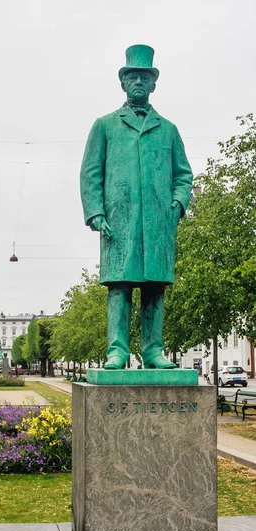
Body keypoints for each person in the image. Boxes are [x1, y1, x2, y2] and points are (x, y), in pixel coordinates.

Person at [80, 45, 193, 369]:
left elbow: (183, 174)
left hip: (158, 220)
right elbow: (91, 173)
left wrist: (177, 204)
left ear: (154, 83)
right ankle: (117, 350)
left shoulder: (168, 129)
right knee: (120, 286)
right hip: (120, 219)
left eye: (145, 76)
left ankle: (153, 351)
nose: (139, 81)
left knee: (155, 287)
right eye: (133, 76)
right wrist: (96, 212)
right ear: (123, 82)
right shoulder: (105, 126)